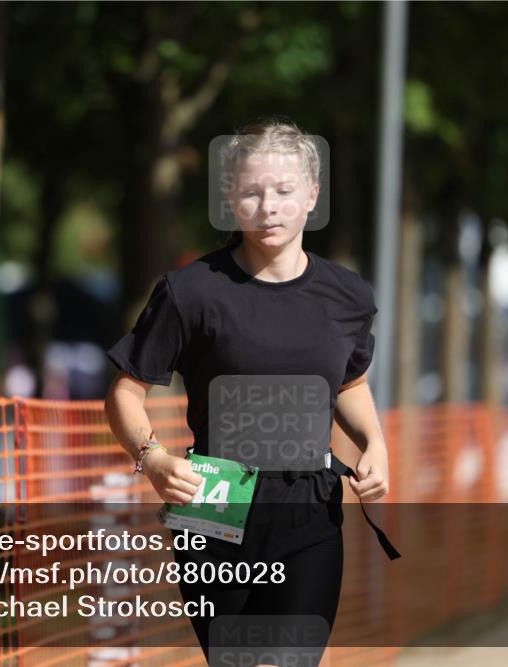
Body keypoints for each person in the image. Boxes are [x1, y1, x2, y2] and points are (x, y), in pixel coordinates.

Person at [104, 121, 396, 665]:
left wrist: (373, 442)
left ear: (312, 194)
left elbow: (350, 381)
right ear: (230, 198)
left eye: (285, 191)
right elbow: (125, 392)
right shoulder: (189, 293)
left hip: (309, 506)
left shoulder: (348, 296)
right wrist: (152, 457)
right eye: (251, 191)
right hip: (217, 502)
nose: (269, 207)